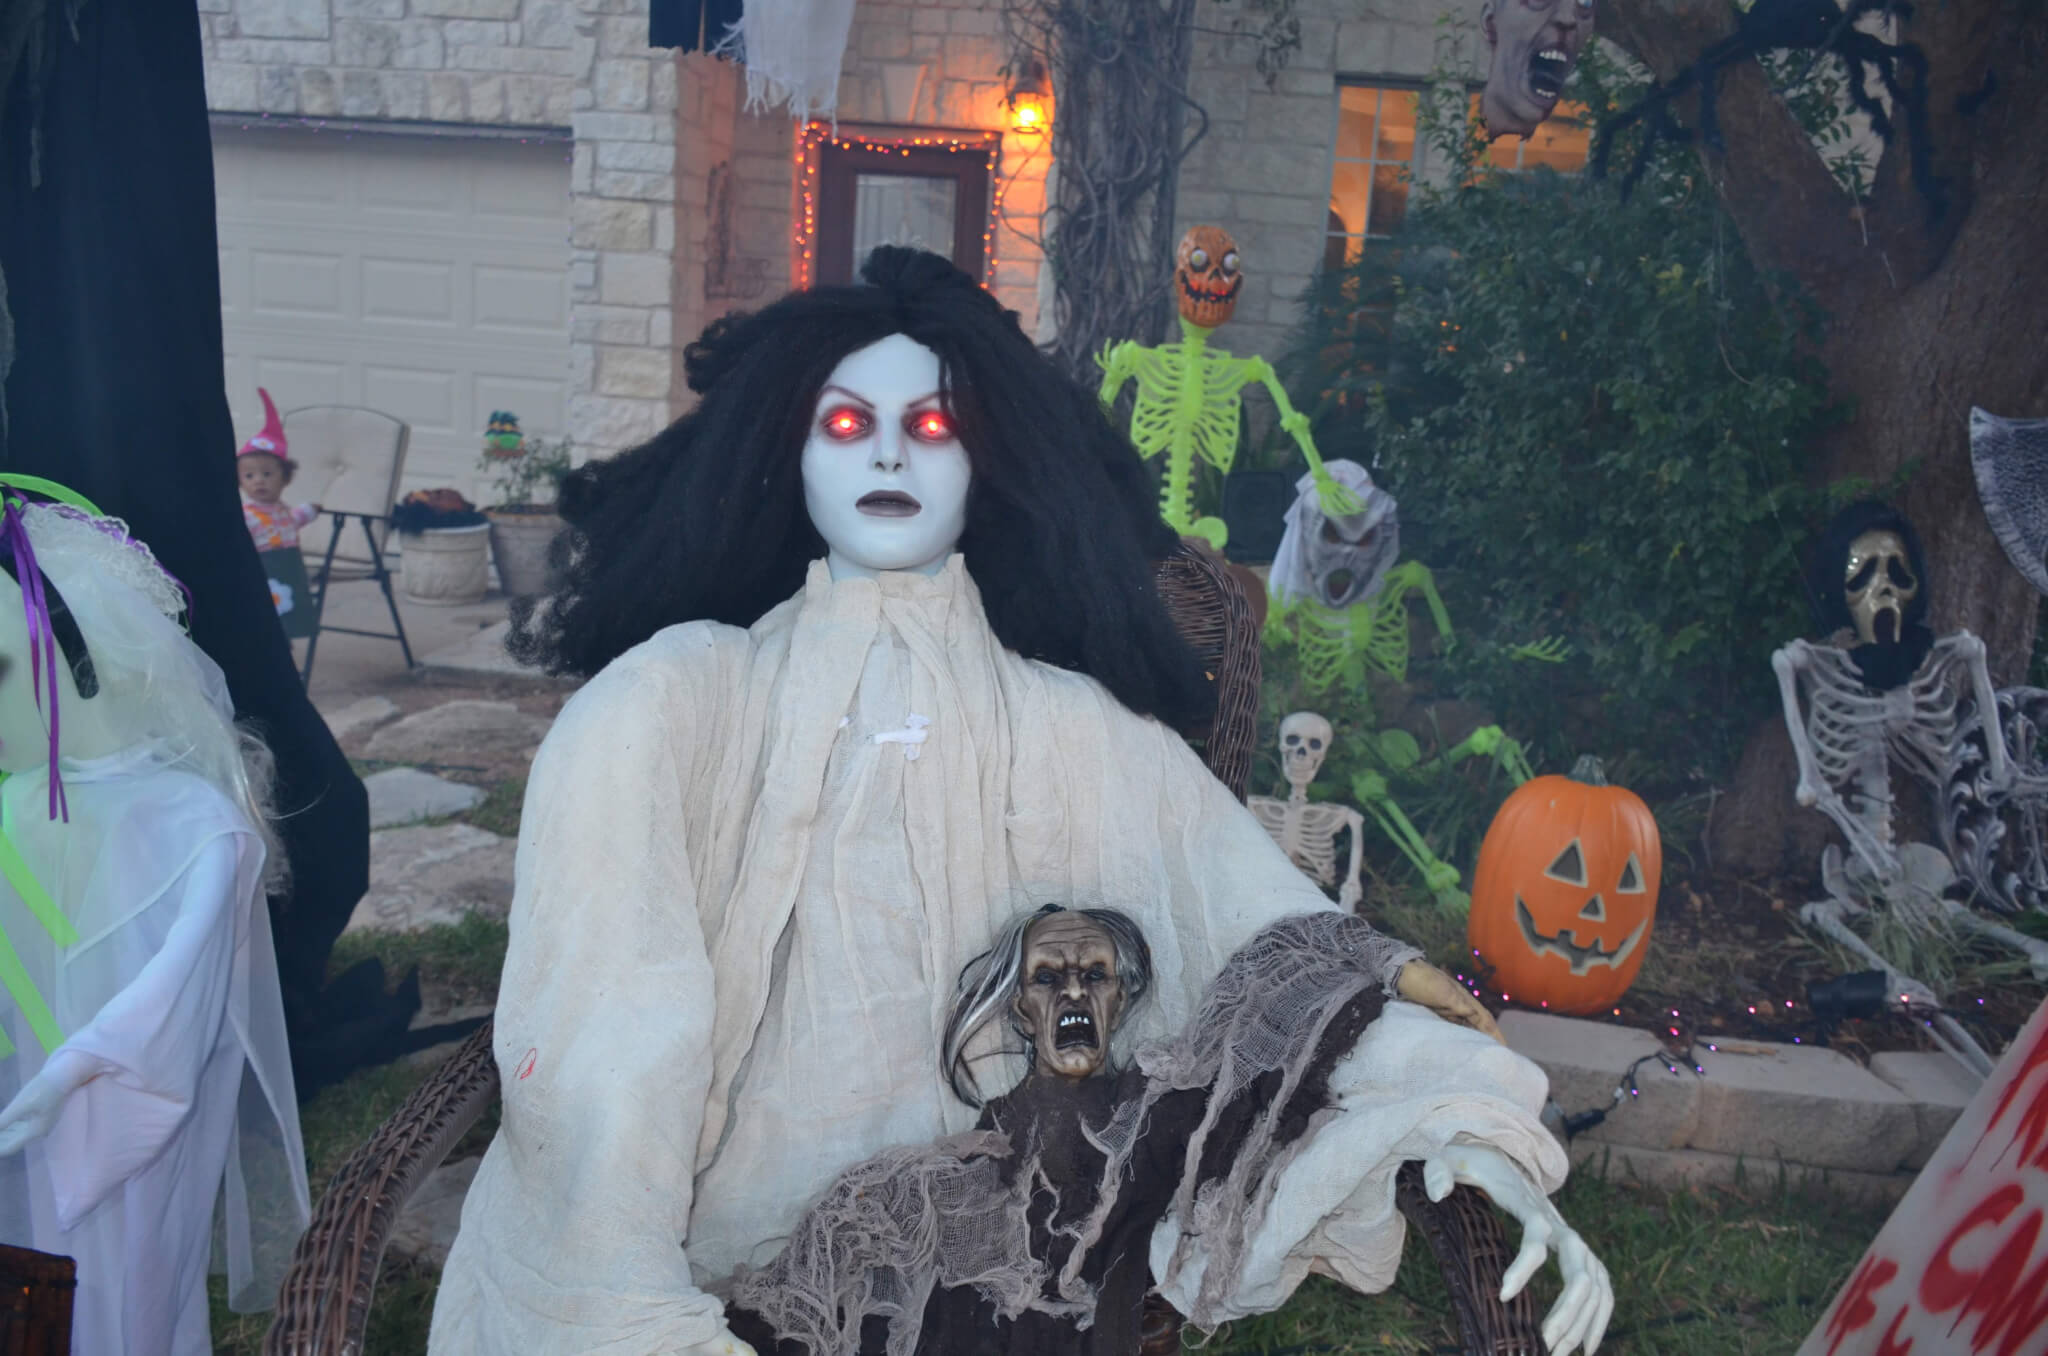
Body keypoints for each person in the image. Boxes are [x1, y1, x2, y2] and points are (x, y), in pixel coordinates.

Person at [428, 248, 1609, 1356]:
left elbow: (1229, 901)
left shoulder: (1065, 722)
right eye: (846, 424)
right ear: (784, 453)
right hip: (726, 1220)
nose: (889, 458)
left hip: (999, 1218)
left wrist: (1425, 1069)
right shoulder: (683, 696)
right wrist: (626, 1292)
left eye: (931, 426)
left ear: (985, 461)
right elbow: (609, 1016)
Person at [0, 488, 308, 1356]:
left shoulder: (194, 826)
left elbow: (179, 993)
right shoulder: (16, 803)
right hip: (23, 1091)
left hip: (121, 1119)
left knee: (115, 1284)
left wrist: (81, 1067)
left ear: (83, 665)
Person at [237, 388, 322, 552]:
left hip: (290, 565)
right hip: (261, 564)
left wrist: (310, 509)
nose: (259, 480)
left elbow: (296, 518)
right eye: (249, 476)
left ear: (285, 478)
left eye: (267, 474)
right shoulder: (245, 517)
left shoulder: (284, 512)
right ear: (239, 481)